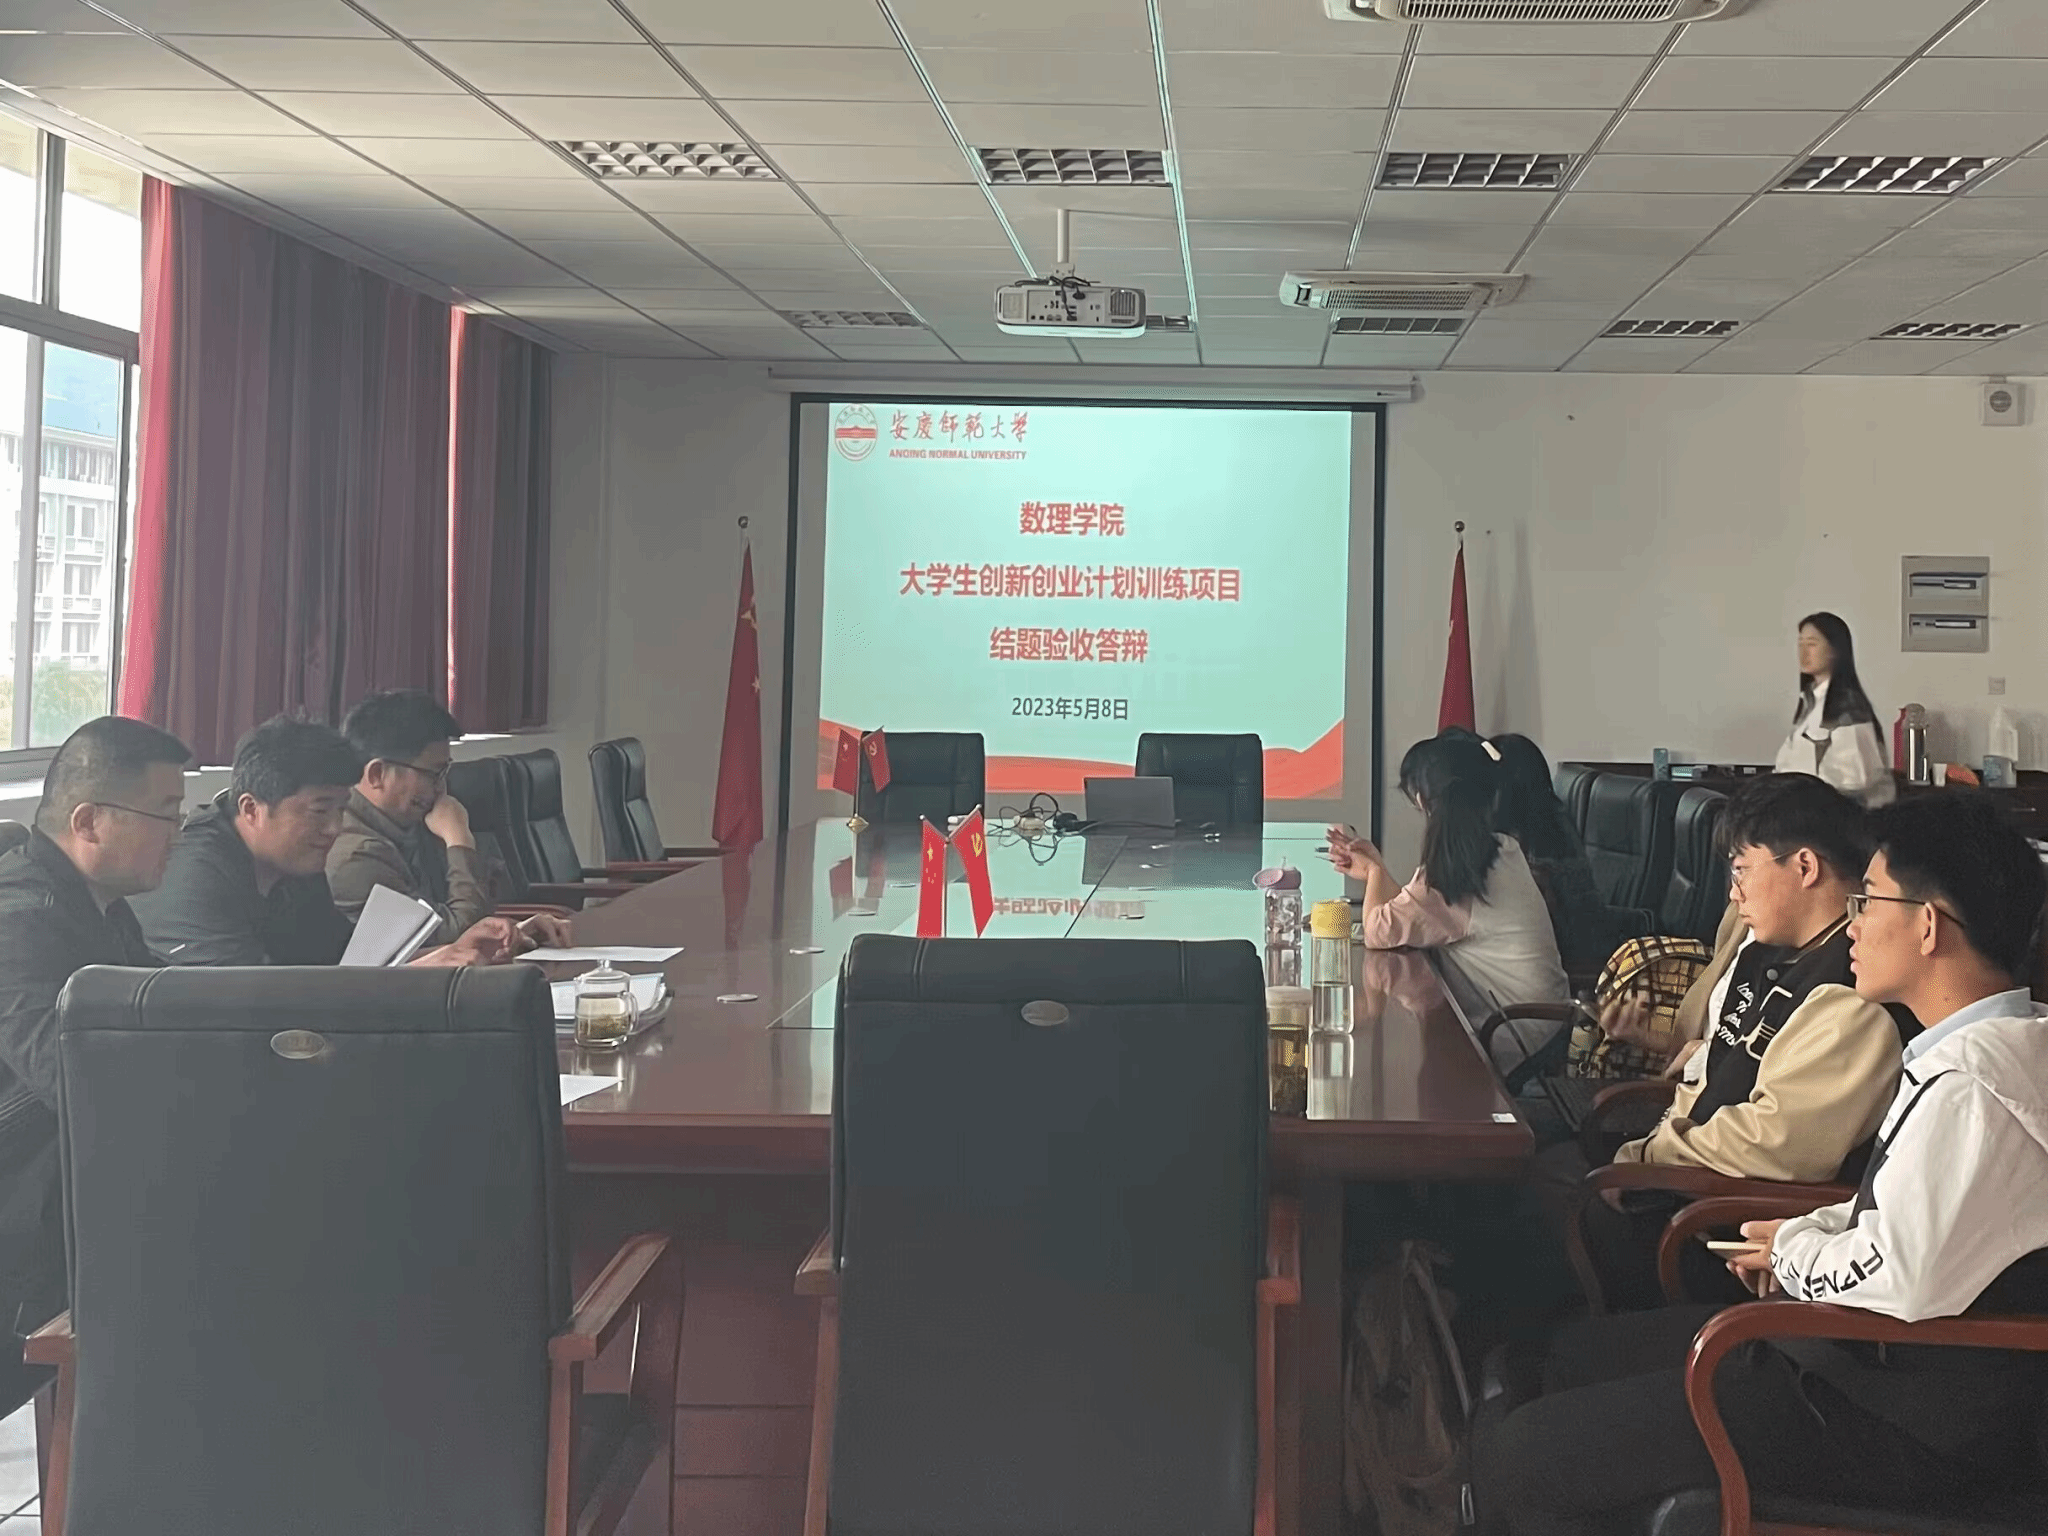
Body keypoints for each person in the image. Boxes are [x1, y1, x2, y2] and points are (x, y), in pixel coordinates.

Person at [1473, 790, 2048, 1534]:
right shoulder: (1982, 1050)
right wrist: (1808, 1232)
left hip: (1895, 1415)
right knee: (1561, 1362)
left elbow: (1894, 1275)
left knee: (1524, 1457)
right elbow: (1905, 1214)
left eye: (1869, 900)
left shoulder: (1976, 1088)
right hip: (1851, 1359)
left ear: (1928, 926)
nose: (1853, 922)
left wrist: (1795, 1248)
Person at [1582, 773, 1913, 1309]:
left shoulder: (1852, 990)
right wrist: (1652, 1150)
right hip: (1701, 1189)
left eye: (1741, 870)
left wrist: (1651, 1156)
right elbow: (1715, 1071)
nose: (1734, 893)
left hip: (1740, 1234)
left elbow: (1777, 1141)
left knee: (1559, 1224)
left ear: (1804, 867)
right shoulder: (1769, 951)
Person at [0, 716, 189, 1405]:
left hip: (68, 1188)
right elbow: (70, 1079)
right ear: (89, 821)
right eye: (166, 814)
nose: (180, 833)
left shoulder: (96, 906)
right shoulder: (23, 918)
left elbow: (165, 1003)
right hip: (26, 1212)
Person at [131, 715, 517, 968]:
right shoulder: (195, 875)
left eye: (341, 810)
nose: (334, 828)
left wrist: (452, 952)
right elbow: (251, 1003)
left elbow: (344, 964)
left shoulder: (297, 862)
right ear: (251, 809)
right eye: (320, 811)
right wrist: (416, 974)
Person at [1329, 734, 1568, 1049]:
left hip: (1516, 1035)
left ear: (1422, 800)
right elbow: (1416, 916)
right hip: (1545, 1028)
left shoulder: (1459, 872)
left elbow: (1379, 932)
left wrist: (1374, 874)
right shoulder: (1500, 850)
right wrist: (1377, 868)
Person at [328, 689, 568, 949]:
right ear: (377, 774)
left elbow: (457, 927)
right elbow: (457, 941)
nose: (441, 788)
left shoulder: (409, 821)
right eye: (434, 773)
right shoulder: (357, 855)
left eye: (445, 772)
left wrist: (518, 930)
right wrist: (459, 839)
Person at [1489, 733, 1619, 974]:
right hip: (1566, 940)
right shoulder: (1550, 812)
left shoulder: (1539, 831)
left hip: (1569, 950)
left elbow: (1538, 908)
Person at [1774, 611, 1894, 808]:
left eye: (1812, 644)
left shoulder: (1849, 707)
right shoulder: (1810, 702)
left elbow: (1855, 778)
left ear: (1834, 650)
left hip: (1839, 814)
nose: (1803, 653)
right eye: (1800, 644)